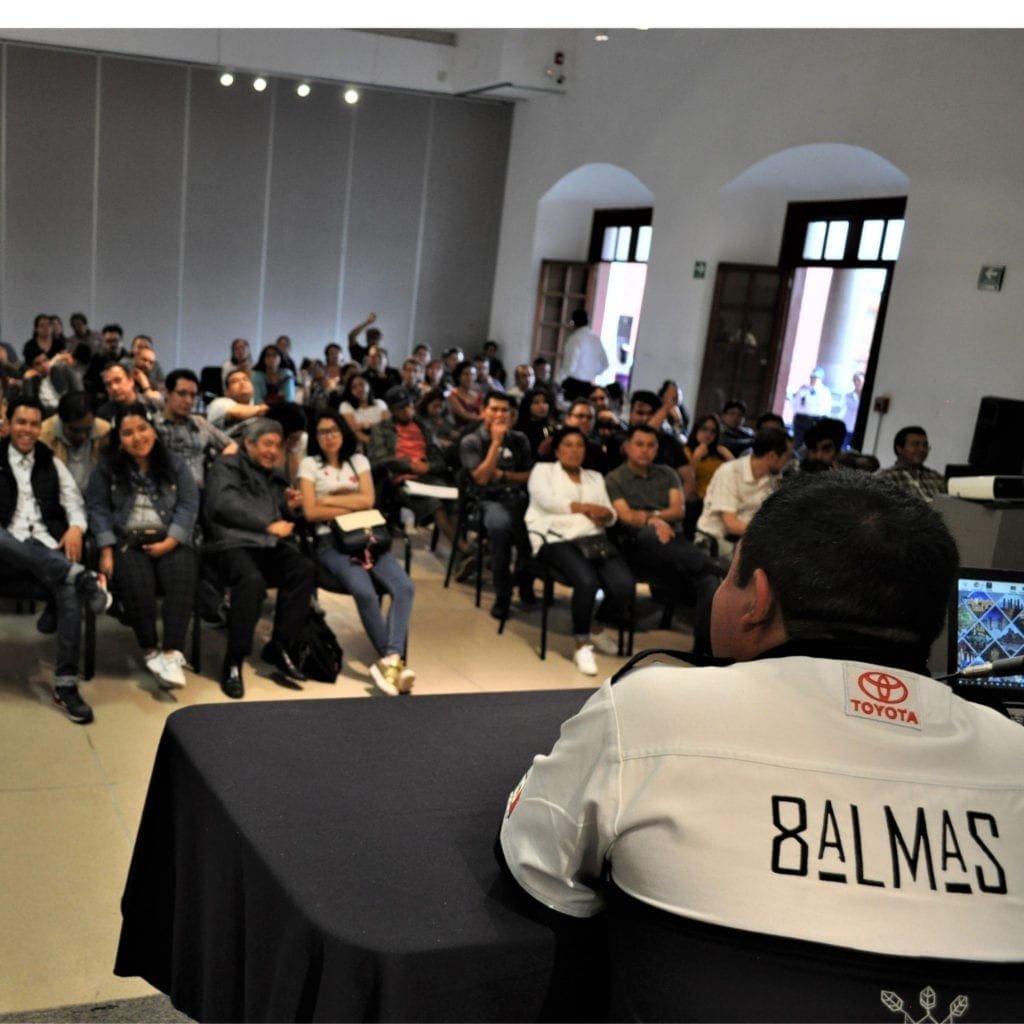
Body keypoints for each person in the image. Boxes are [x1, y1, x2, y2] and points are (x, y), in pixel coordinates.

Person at [499, 471, 1024, 1020]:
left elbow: (537, 867)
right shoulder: (1013, 750)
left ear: (758, 600)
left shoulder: (651, 713)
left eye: (730, 576)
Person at [0, 397, 112, 724]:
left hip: (46, 549)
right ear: (8, 423)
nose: (27, 430)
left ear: (40, 428)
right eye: (21, 422)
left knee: (66, 587)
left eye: (34, 424)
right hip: (5, 553)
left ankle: (65, 685)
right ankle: (81, 576)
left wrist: (76, 527)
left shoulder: (50, 461)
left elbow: (75, 504)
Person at [298, 411, 416, 697]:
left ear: (343, 433)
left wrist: (328, 498)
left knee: (404, 587)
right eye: (323, 432)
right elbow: (311, 512)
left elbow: (368, 500)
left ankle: (390, 659)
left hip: (368, 536)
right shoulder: (308, 465)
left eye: (334, 431)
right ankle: (394, 663)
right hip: (331, 542)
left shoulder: (358, 460)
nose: (329, 437)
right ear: (316, 437)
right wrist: (347, 503)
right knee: (364, 591)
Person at [86, 404, 199, 690]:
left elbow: (188, 504)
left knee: (182, 577)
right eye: (128, 433)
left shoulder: (174, 464)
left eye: (142, 429)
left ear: (154, 430)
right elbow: (97, 508)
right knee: (138, 584)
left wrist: (171, 541)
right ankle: (150, 650)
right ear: (119, 441)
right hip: (127, 540)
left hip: (169, 537)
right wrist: (107, 549)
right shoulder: (107, 468)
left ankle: (172, 653)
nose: (137, 437)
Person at [204, 418, 317, 697]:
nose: (273, 451)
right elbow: (224, 504)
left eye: (277, 446)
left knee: (303, 569)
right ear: (249, 443)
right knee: (251, 581)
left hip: (266, 544)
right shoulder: (226, 466)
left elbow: (278, 513)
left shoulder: (274, 475)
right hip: (231, 544)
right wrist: (267, 525)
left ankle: (279, 646)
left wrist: (289, 507)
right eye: (267, 444)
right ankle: (234, 659)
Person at [606, 424, 725, 654]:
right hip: (637, 550)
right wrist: (656, 522)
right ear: (628, 447)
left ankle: (702, 648)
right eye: (639, 444)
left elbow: (678, 511)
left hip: (675, 547)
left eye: (651, 445)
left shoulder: (667, 473)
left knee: (709, 579)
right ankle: (713, 564)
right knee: (651, 534)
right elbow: (627, 516)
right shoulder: (615, 478)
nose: (645, 450)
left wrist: (653, 517)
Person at [525, 426, 633, 675]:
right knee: (587, 582)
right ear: (557, 449)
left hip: (592, 539)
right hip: (555, 537)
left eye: (579, 445)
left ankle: (595, 624)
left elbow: (609, 512)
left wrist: (607, 514)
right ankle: (582, 642)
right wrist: (585, 508)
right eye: (568, 445)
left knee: (624, 585)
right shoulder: (543, 471)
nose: (574, 450)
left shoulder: (595, 476)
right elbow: (546, 501)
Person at [459, 390, 534, 619]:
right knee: (501, 528)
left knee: (537, 525)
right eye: (494, 409)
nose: (500, 414)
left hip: (518, 497)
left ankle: (525, 580)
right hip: (486, 500)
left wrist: (502, 476)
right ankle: (503, 594)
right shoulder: (471, 440)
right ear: (483, 411)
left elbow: (530, 475)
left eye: (505, 410)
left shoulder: (520, 439)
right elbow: (481, 478)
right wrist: (495, 443)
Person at [367, 386, 458, 545]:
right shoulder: (382, 428)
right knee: (435, 504)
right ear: (392, 410)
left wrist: (429, 467)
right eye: (401, 408)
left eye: (409, 405)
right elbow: (379, 460)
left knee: (457, 502)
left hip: (429, 475)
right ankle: (463, 550)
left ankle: (463, 553)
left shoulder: (423, 426)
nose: (407, 410)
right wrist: (410, 465)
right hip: (401, 481)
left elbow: (439, 457)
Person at [697, 426, 792, 555]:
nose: (788, 462)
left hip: (748, 540)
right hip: (715, 540)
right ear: (772, 456)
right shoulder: (730, 472)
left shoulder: (774, 479)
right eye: (787, 457)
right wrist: (769, 533)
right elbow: (731, 524)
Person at [156, 368, 237, 489]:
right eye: (182, 393)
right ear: (166, 393)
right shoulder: (152, 425)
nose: (188, 400)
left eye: (193, 395)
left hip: (198, 491)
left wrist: (219, 465)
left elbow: (232, 445)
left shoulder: (200, 423)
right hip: (164, 491)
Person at [39, 391, 112, 495]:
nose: (82, 436)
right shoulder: (42, 436)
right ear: (62, 421)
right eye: (75, 430)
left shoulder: (105, 431)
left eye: (88, 429)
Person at [682, 413, 734, 538]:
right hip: (695, 502)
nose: (708, 434)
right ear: (696, 430)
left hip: (717, 503)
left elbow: (737, 476)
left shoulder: (719, 454)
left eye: (713, 431)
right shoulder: (686, 451)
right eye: (704, 429)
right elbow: (685, 483)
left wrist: (730, 457)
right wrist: (696, 458)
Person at [875, 425, 947, 500]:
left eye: (925, 445)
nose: (922, 449)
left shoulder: (937, 478)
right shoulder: (884, 478)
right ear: (899, 448)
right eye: (915, 444)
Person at [205, 368, 270, 438]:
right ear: (227, 392)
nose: (242, 383)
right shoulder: (219, 403)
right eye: (235, 381)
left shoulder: (257, 406)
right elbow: (240, 413)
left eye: (246, 379)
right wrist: (264, 408)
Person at [560, 309, 608, 403]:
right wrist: (590, 372)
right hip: (587, 385)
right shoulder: (595, 339)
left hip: (572, 385)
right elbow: (605, 364)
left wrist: (558, 380)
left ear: (573, 322)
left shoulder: (575, 339)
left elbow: (570, 366)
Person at [335, 373, 388, 448]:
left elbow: (386, 425)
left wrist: (362, 425)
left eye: (361, 384)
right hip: (360, 445)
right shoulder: (346, 406)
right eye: (354, 387)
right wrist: (372, 440)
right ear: (350, 391)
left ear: (368, 385)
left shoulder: (380, 403)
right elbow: (353, 430)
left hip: (383, 440)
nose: (359, 389)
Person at [96, 362, 161, 422]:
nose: (114, 388)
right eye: (108, 384)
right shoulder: (104, 413)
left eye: (118, 380)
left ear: (130, 381)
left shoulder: (152, 404)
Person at [514, 387, 556, 460]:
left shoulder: (549, 427)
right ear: (528, 405)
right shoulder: (521, 429)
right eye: (536, 402)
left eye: (545, 402)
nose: (542, 406)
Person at [446, 360, 483, 429]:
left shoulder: (479, 394)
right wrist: (483, 418)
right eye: (466, 374)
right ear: (458, 376)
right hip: (462, 430)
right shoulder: (452, 395)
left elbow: (483, 412)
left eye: (472, 374)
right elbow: (465, 415)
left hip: (480, 428)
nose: (469, 378)